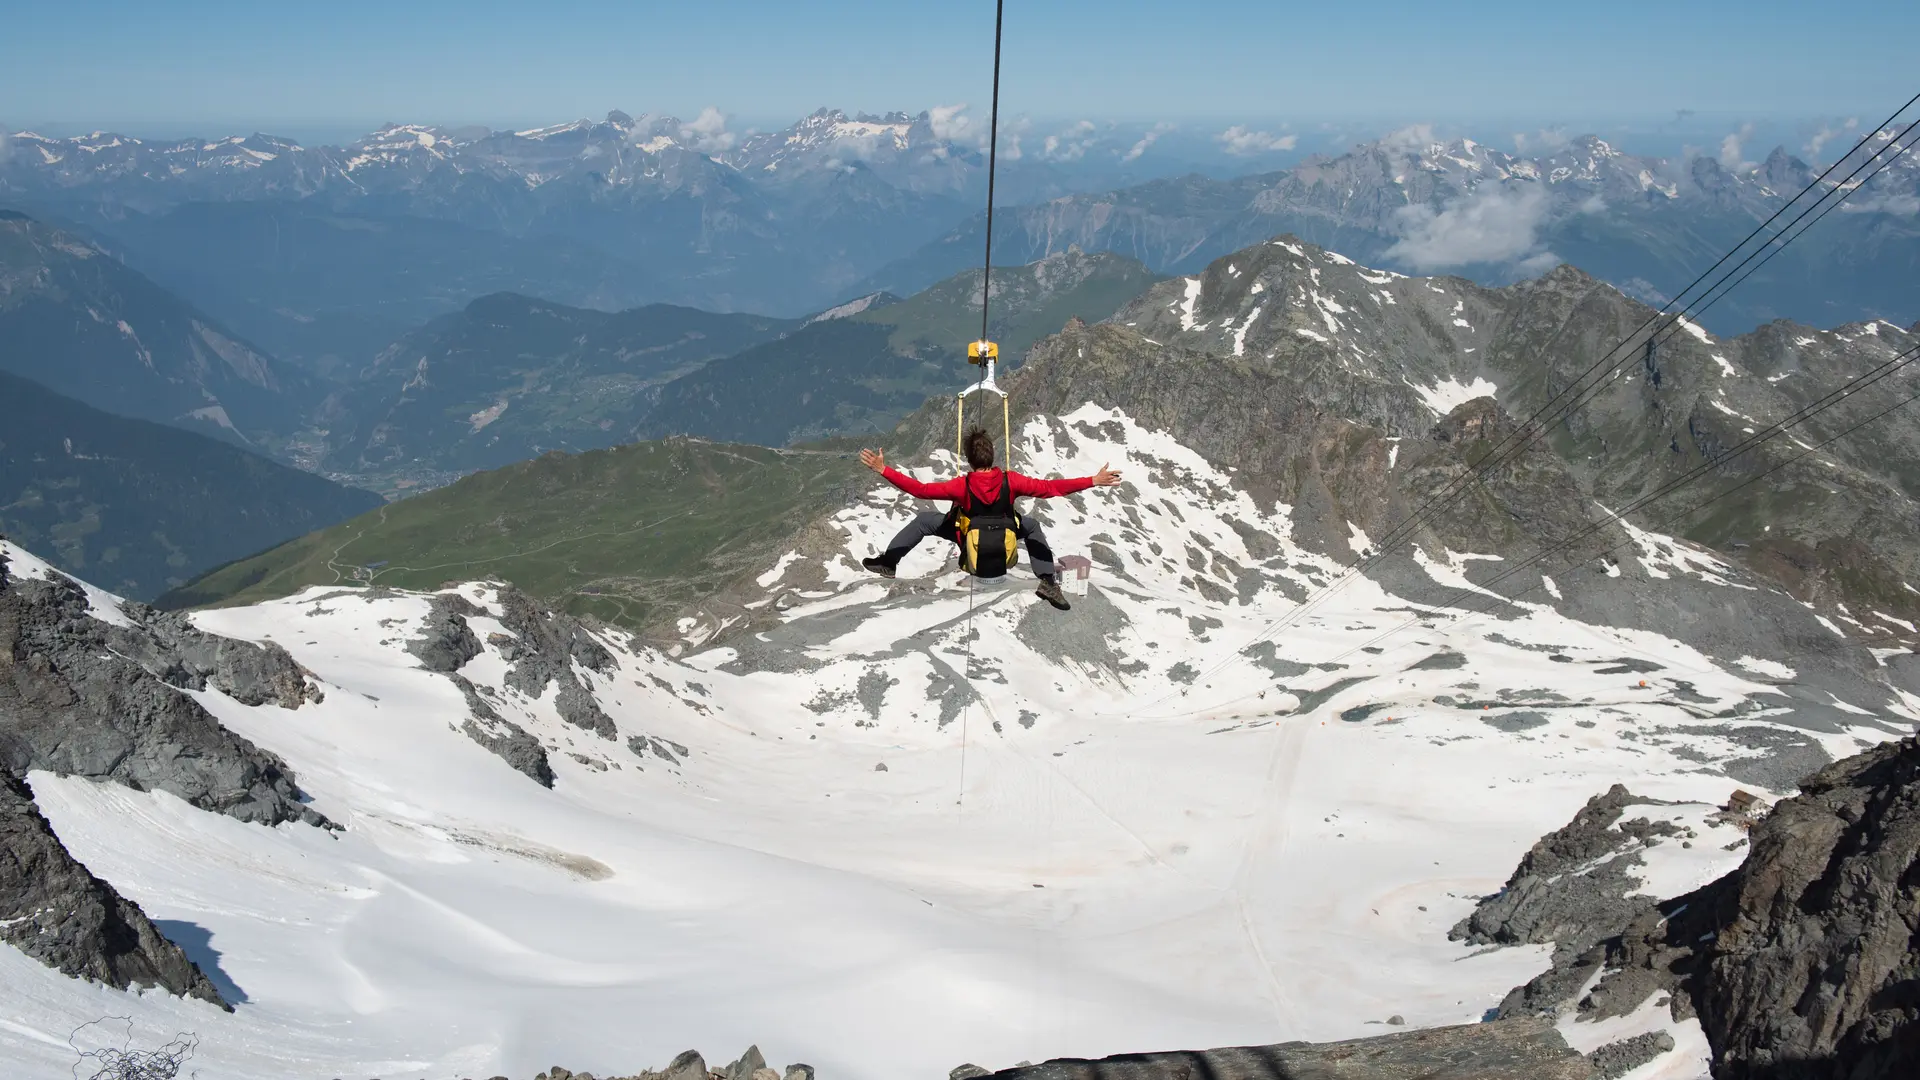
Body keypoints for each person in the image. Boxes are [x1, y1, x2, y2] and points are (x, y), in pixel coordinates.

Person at [858, 427, 1121, 611]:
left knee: (924, 521)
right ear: (992, 457)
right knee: (1032, 527)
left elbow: (921, 490)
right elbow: (1050, 488)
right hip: (1004, 537)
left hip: (967, 540)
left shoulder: (962, 485)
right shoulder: (1012, 480)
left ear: (969, 460)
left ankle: (889, 564)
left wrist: (883, 469)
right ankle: (1048, 583)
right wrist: (1093, 481)